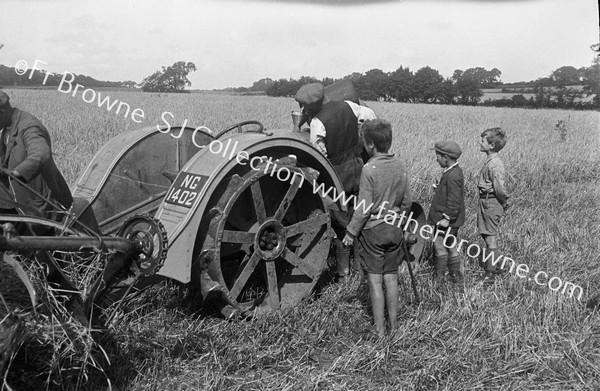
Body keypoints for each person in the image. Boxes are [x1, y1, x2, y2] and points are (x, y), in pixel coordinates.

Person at [295, 82, 376, 282]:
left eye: (305, 107)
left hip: (336, 175)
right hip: (356, 167)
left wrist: (298, 127)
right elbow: (371, 116)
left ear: (312, 105)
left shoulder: (317, 123)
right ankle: (360, 268)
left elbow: (319, 153)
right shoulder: (349, 106)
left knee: (341, 224)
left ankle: (343, 275)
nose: (304, 110)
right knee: (359, 215)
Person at [342, 119, 411, 337]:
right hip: (394, 230)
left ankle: (379, 331)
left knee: (374, 281)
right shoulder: (399, 166)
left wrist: (351, 232)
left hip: (373, 231)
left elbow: (363, 209)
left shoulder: (369, 169)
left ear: (370, 144)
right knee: (391, 279)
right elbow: (408, 201)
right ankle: (395, 327)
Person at [427, 140, 465, 290]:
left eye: (437, 155)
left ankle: (440, 278)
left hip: (446, 220)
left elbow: (455, 201)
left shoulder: (453, 176)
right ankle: (455, 275)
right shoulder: (454, 172)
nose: (436, 159)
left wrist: (446, 218)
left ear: (445, 157)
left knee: (438, 245)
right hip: (452, 220)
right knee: (451, 245)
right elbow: (451, 194)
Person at [477, 127, 510, 286]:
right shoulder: (490, 161)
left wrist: (504, 202)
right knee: (486, 235)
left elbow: (499, 188)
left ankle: (490, 273)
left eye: (483, 140)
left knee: (490, 238)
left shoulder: (495, 164)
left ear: (491, 145)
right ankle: (495, 265)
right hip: (486, 200)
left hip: (492, 201)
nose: (480, 142)